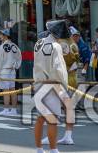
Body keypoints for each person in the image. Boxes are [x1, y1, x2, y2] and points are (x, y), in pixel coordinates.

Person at [33, 20, 71, 153]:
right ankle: (53, 149)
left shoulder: (39, 43)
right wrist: (64, 86)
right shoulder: (56, 46)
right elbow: (59, 69)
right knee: (52, 120)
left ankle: (38, 148)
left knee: (41, 117)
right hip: (52, 85)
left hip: (39, 83)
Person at [0, 27, 22, 116]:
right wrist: (16, 66)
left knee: (6, 91)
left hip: (4, 71)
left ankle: (6, 109)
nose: (0, 36)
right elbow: (19, 57)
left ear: (5, 36)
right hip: (12, 71)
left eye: (1, 35)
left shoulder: (2, 47)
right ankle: (14, 110)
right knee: (13, 90)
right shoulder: (15, 46)